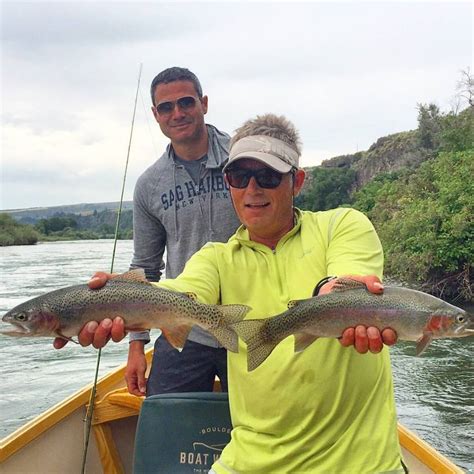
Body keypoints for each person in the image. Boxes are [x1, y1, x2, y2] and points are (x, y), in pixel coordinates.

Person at [69, 114, 404, 473]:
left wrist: (332, 295)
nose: (252, 189)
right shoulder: (216, 258)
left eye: (268, 175)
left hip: (360, 464)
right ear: (227, 182)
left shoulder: (344, 224)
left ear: (297, 181)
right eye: (238, 176)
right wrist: (118, 299)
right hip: (249, 462)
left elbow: (347, 278)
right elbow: (178, 292)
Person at [55, 67, 240, 397]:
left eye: (186, 102)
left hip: (249, 321)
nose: (178, 113)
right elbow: (145, 267)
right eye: (166, 107)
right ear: (155, 115)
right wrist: (137, 347)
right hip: (181, 327)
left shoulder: (243, 159)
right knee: (163, 421)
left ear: (204, 103)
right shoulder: (149, 185)